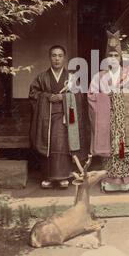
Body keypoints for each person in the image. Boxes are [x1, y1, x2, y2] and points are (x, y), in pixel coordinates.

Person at [88, 31, 129, 192]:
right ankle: (109, 182)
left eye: (116, 55)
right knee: (110, 151)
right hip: (107, 120)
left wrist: (121, 98)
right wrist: (105, 99)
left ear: (121, 58)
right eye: (110, 55)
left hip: (126, 120)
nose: (113, 58)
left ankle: (128, 181)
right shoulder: (99, 77)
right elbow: (91, 96)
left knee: (125, 151)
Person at [29, 45, 88, 189]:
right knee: (48, 144)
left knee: (62, 145)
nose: (57, 59)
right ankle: (49, 177)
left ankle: (63, 177)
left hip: (66, 117)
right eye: (54, 55)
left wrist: (64, 97)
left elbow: (79, 96)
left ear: (64, 58)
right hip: (46, 118)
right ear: (50, 57)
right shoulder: (42, 77)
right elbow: (33, 94)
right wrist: (48, 97)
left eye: (60, 56)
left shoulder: (72, 78)